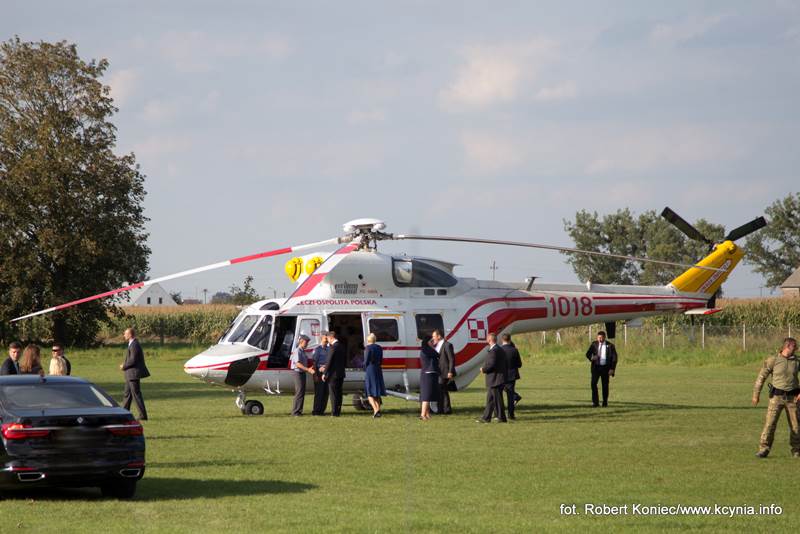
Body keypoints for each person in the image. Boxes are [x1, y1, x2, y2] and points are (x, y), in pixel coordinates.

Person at [752, 337, 800, 458]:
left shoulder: (797, 361)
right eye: (795, 346)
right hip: (776, 398)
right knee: (770, 424)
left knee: (796, 426)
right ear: (787, 346)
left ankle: (797, 450)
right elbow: (761, 377)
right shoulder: (773, 360)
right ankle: (764, 449)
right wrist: (756, 395)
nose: (797, 348)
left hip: (793, 399)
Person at [120, 328, 150, 420]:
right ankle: (124, 414)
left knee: (136, 395)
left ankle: (142, 415)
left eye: (125, 334)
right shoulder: (131, 343)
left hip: (133, 374)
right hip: (130, 374)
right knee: (127, 394)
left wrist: (124, 366)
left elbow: (133, 360)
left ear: (130, 335)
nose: (124, 335)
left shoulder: (134, 344)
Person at [478, 333, 508, 423]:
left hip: (495, 379)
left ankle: (501, 418)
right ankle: (486, 418)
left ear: (489, 340)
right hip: (498, 378)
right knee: (490, 400)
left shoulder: (494, 350)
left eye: (487, 338)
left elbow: (491, 364)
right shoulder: (499, 349)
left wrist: (483, 369)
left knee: (497, 400)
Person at [585, 331, 617, 407]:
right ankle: (595, 402)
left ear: (604, 337)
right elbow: (588, 354)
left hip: (605, 368)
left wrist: (612, 369)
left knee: (605, 385)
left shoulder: (610, 345)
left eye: (601, 337)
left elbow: (614, 358)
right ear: (597, 337)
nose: (600, 339)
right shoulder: (594, 344)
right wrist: (592, 358)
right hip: (596, 368)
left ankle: (605, 402)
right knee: (593, 384)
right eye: (599, 337)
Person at [432, 329, 456, 415]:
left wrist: (450, 371)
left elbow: (451, 359)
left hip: (445, 371)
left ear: (439, 336)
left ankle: (446, 409)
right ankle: (442, 409)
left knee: (442, 389)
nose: (433, 338)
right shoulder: (437, 345)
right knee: (441, 390)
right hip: (439, 371)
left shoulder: (447, 345)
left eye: (434, 336)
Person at [323, 330, 347, 416]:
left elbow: (329, 360)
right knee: (339, 393)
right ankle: (338, 411)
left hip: (333, 374)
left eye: (328, 339)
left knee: (333, 394)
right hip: (341, 373)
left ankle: (334, 412)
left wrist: (324, 372)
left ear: (331, 337)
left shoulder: (333, 347)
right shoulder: (342, 346)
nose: (327, 341)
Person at [290, 334, 315, 416]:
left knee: (301, 392)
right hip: (298, 373)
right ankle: (295, 412)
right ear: (301, 341)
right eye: (306, 342)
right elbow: (297, 364)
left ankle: (299, 411)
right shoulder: (298, 351)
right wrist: (308, 369)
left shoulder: (302, 351)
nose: (307, 344)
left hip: (302, 373)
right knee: (299, 392)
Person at [364, 333, 387, 418]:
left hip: (370, 369)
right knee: (377, 392)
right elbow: (381, 359)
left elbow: (366, 360)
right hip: (378, 368)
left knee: (370, 392)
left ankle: (376, 410)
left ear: (368, 340)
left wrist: (364, 367)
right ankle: (377, 411)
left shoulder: (368, 348)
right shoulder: (379, 347)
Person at [501, 334, 522, 420]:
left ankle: (499, 414)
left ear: (502, 340)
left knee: (499, 395)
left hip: (501, 375)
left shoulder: (499, 350)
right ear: (510, 340)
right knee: (510, 396)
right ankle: (511, 414)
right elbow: (519, 364)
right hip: (512, 375)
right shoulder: (514, 350)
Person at [418, 338, 440, 420]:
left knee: (428, 395)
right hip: (428, 374)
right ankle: (423, 415)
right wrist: (434, 347)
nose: (433, 343)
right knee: (426, 396)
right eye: (431, 341)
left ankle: (427, 414)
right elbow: (438, 354)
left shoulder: (426, 350)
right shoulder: (427, 350)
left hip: (428, 373)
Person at [311, 333, 330, 416]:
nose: (327, 340)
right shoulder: (317, 350)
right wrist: (314, 375)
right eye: (325, 339)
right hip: (319, 373)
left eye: (327, 339)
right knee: (319, 393)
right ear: (321, 339)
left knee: (326, 392)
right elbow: (314, 363)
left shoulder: (329, 349)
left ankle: (322, 410)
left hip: (327, 373)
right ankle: (316, 411)